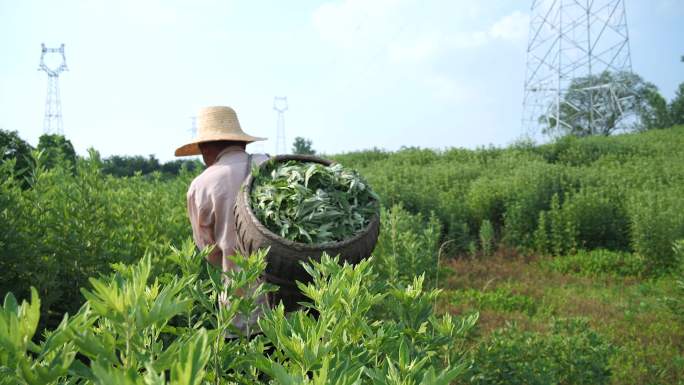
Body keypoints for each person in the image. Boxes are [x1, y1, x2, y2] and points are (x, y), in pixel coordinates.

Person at [174, 105, 269, 337]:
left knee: (245, 371)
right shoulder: (270, 165)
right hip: (290, 311)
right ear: (242, 143)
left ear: (207, 146)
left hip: (241, 312)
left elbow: (209, 252)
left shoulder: (201, 185)